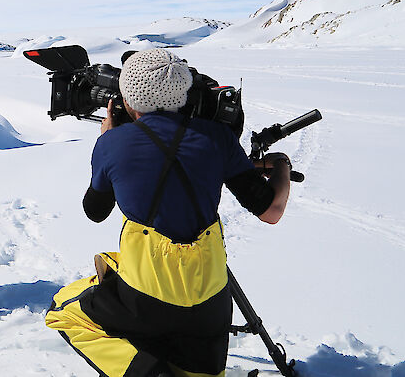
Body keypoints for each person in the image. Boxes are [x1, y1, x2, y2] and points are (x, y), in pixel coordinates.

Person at [45, 48, 292, 377]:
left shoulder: (113, 143)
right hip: (210, 306)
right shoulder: (218, 138)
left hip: (145, 299)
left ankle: (146, 370)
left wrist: (108, 139)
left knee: (64, 310)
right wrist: (281, 166)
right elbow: (271, 211)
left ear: (128, 100)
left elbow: (95, 211)